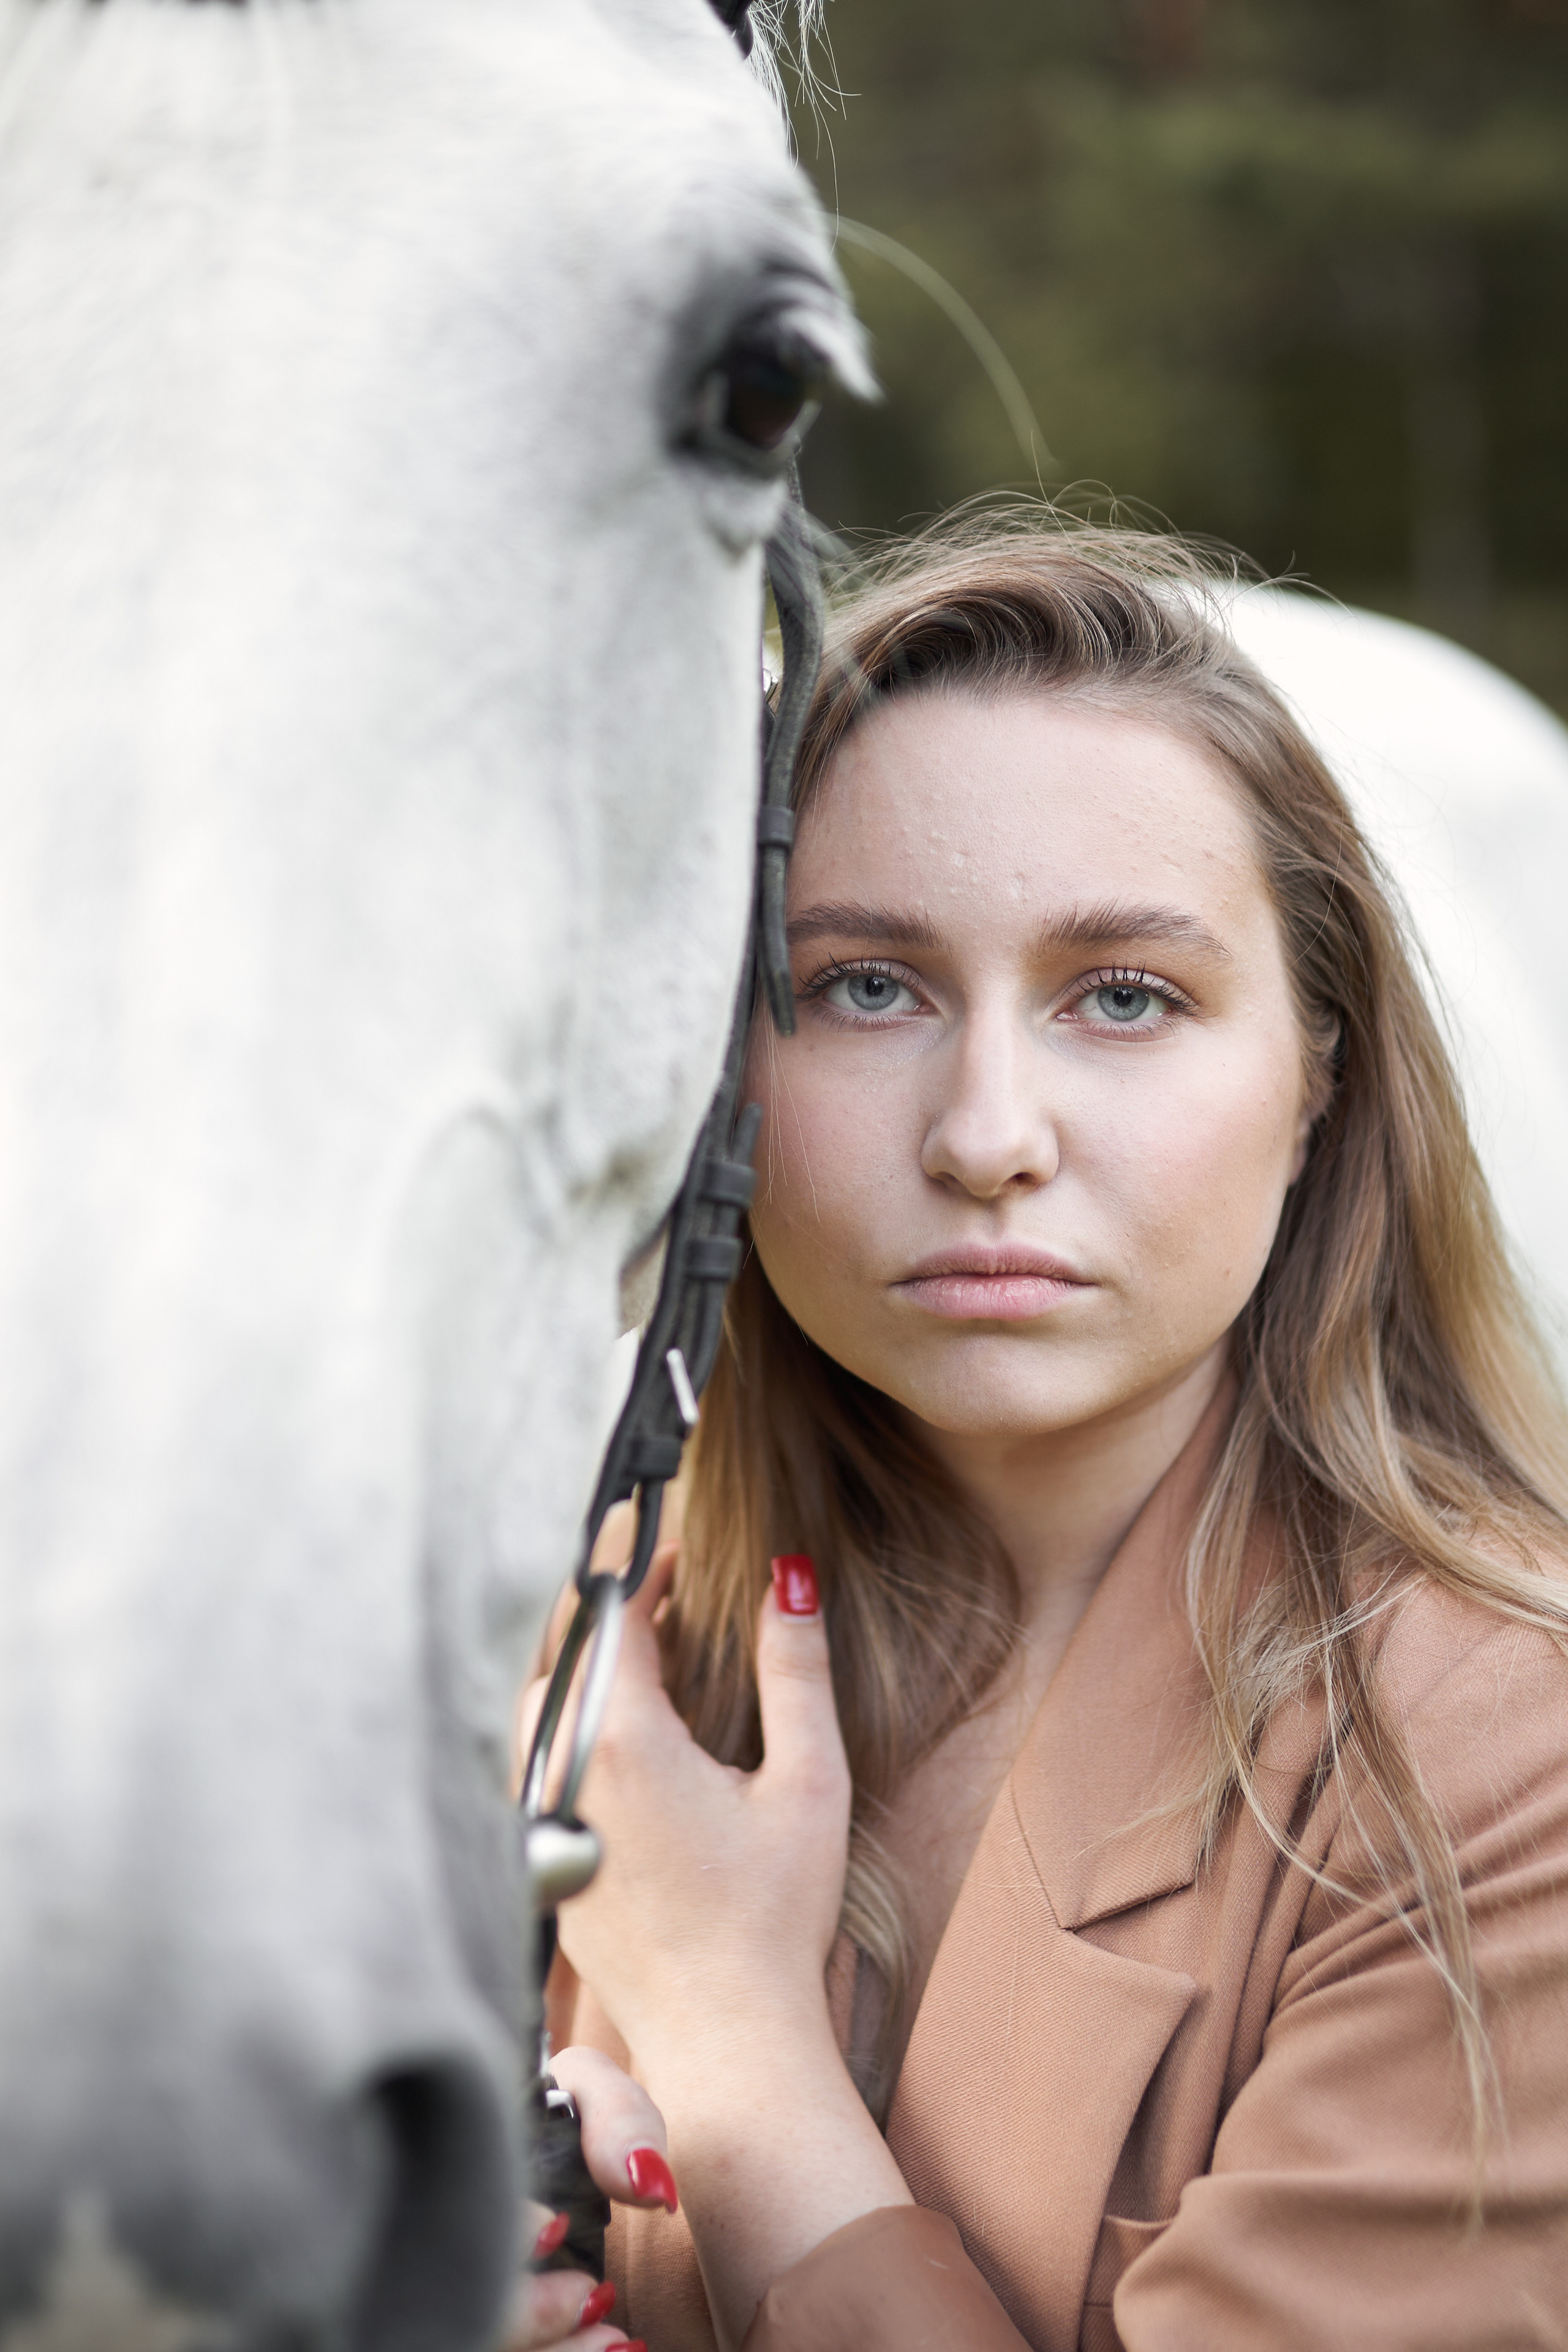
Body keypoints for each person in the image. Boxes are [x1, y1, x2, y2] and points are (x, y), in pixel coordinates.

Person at [529, 518, 1568, 2352]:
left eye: (1125, 996)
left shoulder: (1507, 1757)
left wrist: (731, 2048)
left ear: (1321, 1076)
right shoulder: (609, 1660)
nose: (988, 1130)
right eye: (866, 985)